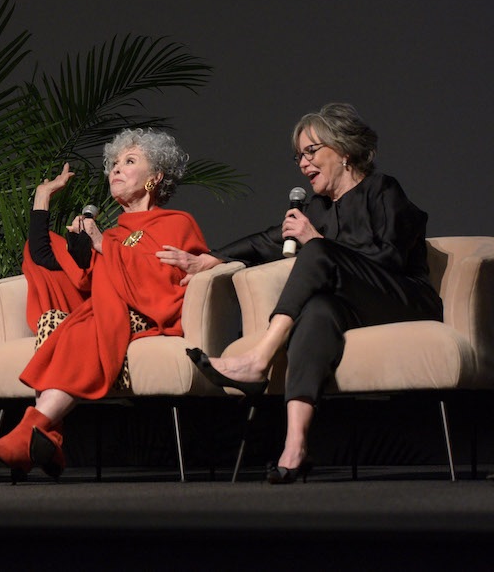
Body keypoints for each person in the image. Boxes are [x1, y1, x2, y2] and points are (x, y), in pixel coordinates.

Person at [161, 103, 442, 484]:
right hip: (355, 306)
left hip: (404, 299)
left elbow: (389, 257)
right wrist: (209, 259)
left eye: (311, 151)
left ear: (343, 151)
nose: (303, 163)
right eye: (298, 156)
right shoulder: (319, 208)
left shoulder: (383, 189)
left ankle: (258, 358)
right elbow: (266, 241)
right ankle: (295, 447)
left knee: (319, 251)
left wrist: (319, 242)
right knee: (318, 312)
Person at [0, 128, 209, 480]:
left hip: (147, 313)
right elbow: (51, 261)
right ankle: (45, 436)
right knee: (57, 320)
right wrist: (43, 198)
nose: (115, 168)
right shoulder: (112, 233)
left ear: (155, 177)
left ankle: (32, 430)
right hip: (107, 308)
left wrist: (104, 248)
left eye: (129, 161)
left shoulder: (176, 222)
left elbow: (163, 281)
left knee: (88, 321)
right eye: (113, 163)